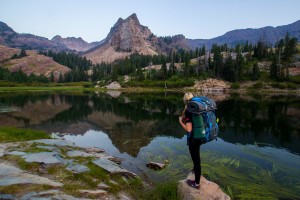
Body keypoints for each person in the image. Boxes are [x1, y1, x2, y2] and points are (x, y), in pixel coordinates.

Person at [179, 92, 204, 189]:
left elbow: (189, 129)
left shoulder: (189, 111)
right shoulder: (198, 108)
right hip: (200, 135)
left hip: (194, 138)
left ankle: (196, 184)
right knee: (196, 155)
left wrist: (181, 122)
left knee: (196, 159)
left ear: (185, 101)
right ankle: (194, 169)